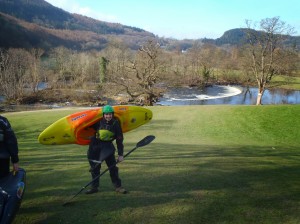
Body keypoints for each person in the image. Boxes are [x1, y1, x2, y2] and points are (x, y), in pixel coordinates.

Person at [86, 105, 127, 194]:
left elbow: (119, 140)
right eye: (106, 114)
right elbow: (86, 125)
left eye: (110, 114)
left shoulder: (115, 124)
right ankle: (94, 187)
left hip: (108, 148)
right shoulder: (98, 122)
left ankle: (118, 187)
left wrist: (120, 154)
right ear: (103, 115)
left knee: (113, 168)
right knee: (95, 168)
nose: (108, 116)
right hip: (96, 147)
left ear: (112, 114)